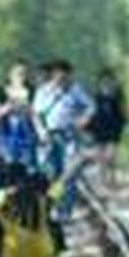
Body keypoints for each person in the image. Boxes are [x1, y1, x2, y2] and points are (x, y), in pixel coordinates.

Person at [33, 59, 94, 222]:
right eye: (60, 73)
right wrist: (41, 132)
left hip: (69, 136)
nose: (63, 77)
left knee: (68, 175)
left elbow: (91, 106)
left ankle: (64, 211)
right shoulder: (43, 91)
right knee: (52, 174)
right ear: (54, 74)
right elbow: (37, 115)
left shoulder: (75, 90)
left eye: (66, 74)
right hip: (50, 137)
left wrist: (83, 119)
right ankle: (54, 205)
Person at [0, 162, 60, 257]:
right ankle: (55, 255)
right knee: (53, 222)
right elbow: (59, 188)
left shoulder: (5, 195)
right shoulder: (44, 199)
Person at [0, 60, 39, 171]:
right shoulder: (2, 91)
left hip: (27, 133)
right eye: (19, 73)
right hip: (7, 132)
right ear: (11, 74)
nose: (22, 77)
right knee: (8, 163)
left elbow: (36, 113)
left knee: (28, 164)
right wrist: (8, 107)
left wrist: (27, 109)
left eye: (24, 73)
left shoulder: (32, 91)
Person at [87, 66, 127, 188]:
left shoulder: (118, 93)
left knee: (111, 156)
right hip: (99, 128)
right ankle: (103, 181)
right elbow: (92, 111)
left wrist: (124, 121)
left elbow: (123, 109)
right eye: (104, 79)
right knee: (101, 157)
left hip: (114, 127)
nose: (106, 81)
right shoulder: (96, 94)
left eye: (109, 79)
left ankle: (112, 178)